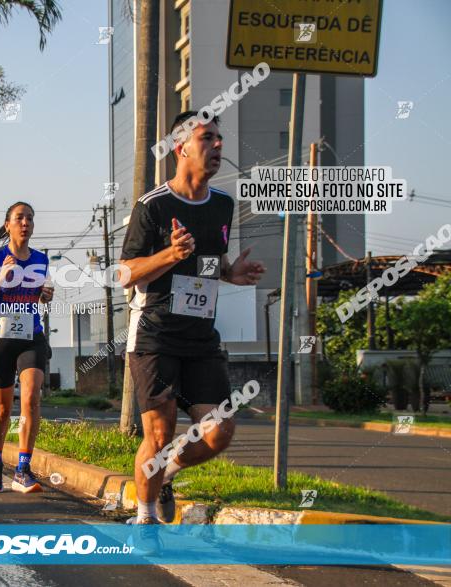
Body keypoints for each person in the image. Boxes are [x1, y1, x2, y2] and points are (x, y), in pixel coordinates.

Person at [118, 112, 265, 524]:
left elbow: (210, 262)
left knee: (219, 432)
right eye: (207, 139)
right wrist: (169, 254)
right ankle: (144, 517)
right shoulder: (154, 205)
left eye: (219, 138)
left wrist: (230, 272)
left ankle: (165, 475)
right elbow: (124, 273)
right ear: (181, 147)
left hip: (200, 336)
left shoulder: (222, 205)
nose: (218, 146)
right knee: (160, 434)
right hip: (154, 334)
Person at [0, 202, 53, 493]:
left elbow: (37, 297)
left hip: (31, 336)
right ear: (7, 224)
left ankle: (23, 468)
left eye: (30, 218)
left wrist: (45, 295)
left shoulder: (41, 260)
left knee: (31, 398)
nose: (25, 223)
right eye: (19, 218)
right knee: (2, 408)